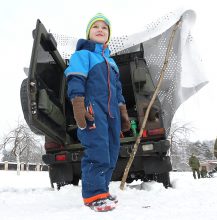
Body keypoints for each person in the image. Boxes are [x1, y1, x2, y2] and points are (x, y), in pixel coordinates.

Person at [64, 13, 130, 212]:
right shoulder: (82, 55)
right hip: (93, 110)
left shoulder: (111, 62)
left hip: (112, 114)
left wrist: (123, 112)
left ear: (108, 35)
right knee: (97, 150)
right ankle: (93, 195)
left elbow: (117, 90)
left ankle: (102, 189)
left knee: (111, 152)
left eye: (104, 27)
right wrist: (78, 104)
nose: (100, 30)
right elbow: (75, 78)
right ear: (89, 33)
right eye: (96, 27)